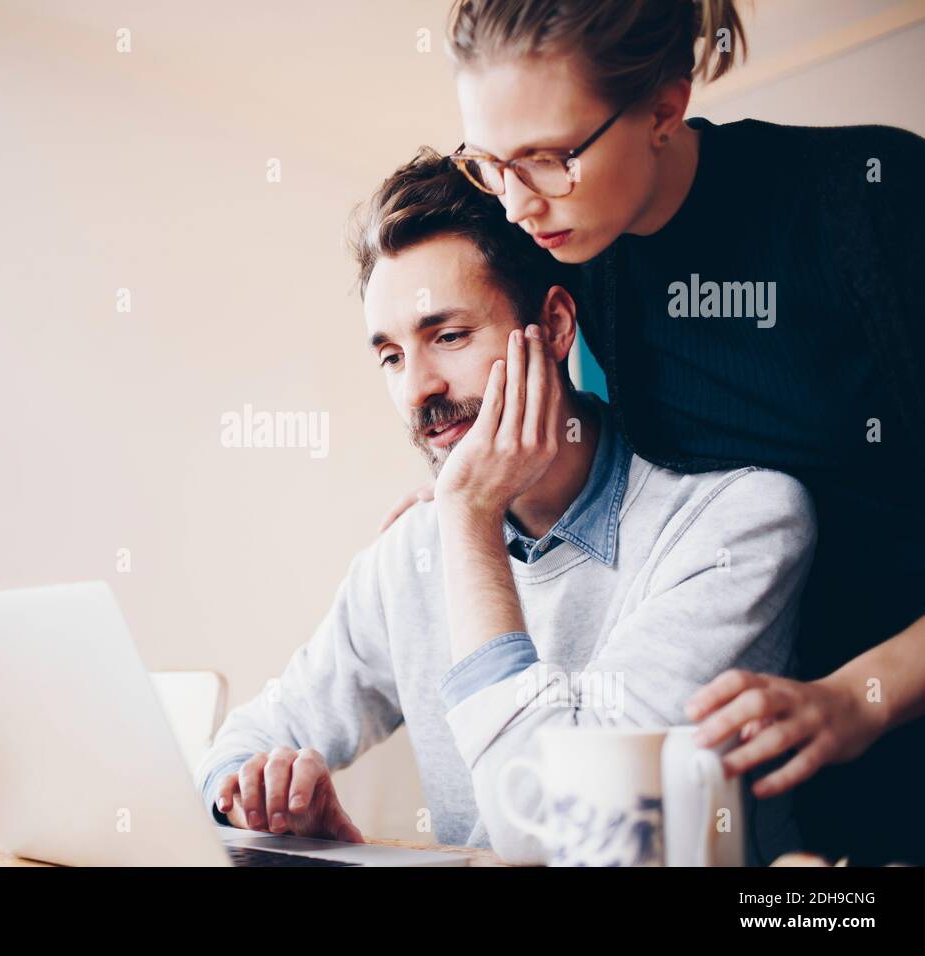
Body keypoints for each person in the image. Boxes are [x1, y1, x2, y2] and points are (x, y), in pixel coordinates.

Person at [383, 0, 925, 864]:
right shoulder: (580, 255)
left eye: (550, 158)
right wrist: (476, 482)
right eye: (489, 161)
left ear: (665, 109)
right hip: (767, 756)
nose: (518, 204)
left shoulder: (870, 201)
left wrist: (858, 698)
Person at [193, 148, 815, 864]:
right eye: (391, 355)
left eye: (448, 336)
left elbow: (573, 832)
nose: (417, 389)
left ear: (553, 327)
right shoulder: (411, 552)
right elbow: (245, 740)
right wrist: (256, 797)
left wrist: (468, 520)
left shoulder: (736, 524)